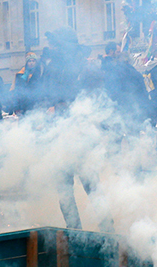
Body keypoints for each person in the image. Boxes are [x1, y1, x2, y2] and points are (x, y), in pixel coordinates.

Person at [42, 27, 114, 233]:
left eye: (54, 44)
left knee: (67, 187)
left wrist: (56, 108)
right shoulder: (85, 67)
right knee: (90, 184)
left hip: (69, 134)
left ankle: (75, 231)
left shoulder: (59, 68)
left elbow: (44, 97)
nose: (51, 47)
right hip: (79, 133)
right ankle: (106, 227)